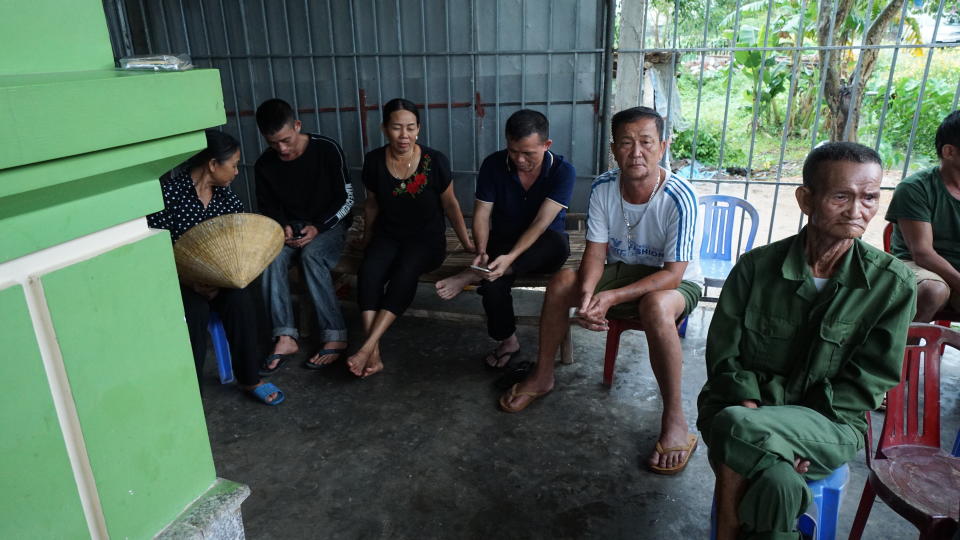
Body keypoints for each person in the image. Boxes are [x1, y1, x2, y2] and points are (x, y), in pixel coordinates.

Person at [698, 142, 915, 540]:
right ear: (805, 199)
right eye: (840, 197)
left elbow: (867, 382)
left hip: (828, 425)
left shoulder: (891, 284)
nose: (856, 211)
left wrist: (792, 430)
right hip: (743, 409)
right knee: (777, 478)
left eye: (869, 197)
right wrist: (762, 418)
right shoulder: (756, 268)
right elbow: (724, 355)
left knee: (736, 431)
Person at [498, 106, 703, 475]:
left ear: (663, 146)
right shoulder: (605, 186)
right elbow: (595, 252)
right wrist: (591, 296)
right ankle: (543, 375)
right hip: (621, 270)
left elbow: (673, 275)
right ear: (613, 148)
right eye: (626, 143)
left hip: (672, 281)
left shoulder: (680, 196)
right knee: (563, 281)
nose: (636, 152)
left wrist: (611, 298)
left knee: (656, 306)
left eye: (646, 142)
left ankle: (675, 418)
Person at [147, 129, 284, 405]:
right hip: (181, 281)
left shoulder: (226, 198)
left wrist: (227, 277)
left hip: (220, 281)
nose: (236, 172)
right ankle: (191, 393)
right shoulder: (169, 196)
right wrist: (189, 281)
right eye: (232, 165)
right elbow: (155, 251)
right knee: (194, 313)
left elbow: (238, 242)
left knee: (241, 301)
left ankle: (249, 378)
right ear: (212, 164)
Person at [435, 109, 576, 369]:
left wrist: (509, 258)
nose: (519, 159)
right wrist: (481, 249)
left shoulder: (563, 171)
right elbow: (482, 213)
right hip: (503, 240)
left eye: (528, 153)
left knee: (557, 245)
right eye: (513, 151)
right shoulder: (494, 164)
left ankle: (474, 273)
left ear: (547, 145)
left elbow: (541, 222)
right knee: (493, 284)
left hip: (541, 246)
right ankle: (508, 341)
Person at [348, 98, 474, 377]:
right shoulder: (374, 161)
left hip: (426, 240)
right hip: (388, 235)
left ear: (418, 128)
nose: (404, 135)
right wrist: (368, 239)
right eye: (396, 128)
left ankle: (366, 347)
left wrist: (466, 242)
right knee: (369, 272)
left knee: (406, 272)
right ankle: (374, 352)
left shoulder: (435, 161)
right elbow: (372, 204)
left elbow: (451, 204)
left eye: (410, 128)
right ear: (384, 129)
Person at [254, 98, 353, 373]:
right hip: (290, 230)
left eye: (286, 140)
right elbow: (268, 207)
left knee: (312, 256)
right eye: (274, 143)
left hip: (329, 226)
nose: (282, 149)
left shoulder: (327, 149)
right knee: (269, 257)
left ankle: (335, 335)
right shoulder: (265, 165)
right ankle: (285, 336)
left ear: (297, 125)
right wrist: (281, 226)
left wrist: (318, 227)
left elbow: (346, 200)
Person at [886, 109, 960, 322]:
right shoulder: (915, 188)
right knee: (932, 290)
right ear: (949, 151)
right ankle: (903, 352)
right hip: (919, 266)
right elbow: (923, 253)